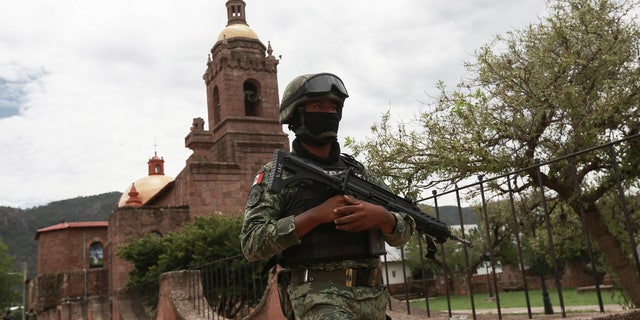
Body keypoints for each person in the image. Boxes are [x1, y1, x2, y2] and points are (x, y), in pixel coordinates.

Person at [241, 72, 416, 320]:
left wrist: (382, 217)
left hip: (373, 298)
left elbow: (404, 229)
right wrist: (315, 216)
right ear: (296, 113)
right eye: (317, 105)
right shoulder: (276, 174)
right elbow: (252, 244)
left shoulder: (360, 174)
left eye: (333, 106)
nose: (328, 112)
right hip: (317, 297)